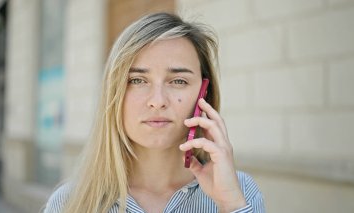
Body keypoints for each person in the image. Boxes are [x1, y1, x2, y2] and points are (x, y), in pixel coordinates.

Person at [43, 12, 265, 213]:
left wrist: (230, 205)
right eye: (137, 80)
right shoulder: (68, 203)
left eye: (178, 81)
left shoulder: (241, 193)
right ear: (114, 93)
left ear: (203, 94)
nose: (158, 101)